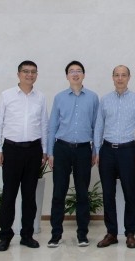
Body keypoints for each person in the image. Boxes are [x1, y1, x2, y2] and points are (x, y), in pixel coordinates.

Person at [0, 60, 49, 252]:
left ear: (36, 75)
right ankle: (5, 235)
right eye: (26, 71)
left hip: (33, 151)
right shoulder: (6, 95)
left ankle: (27, 235)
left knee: (29, 196)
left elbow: (44, 125)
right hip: (11, 150)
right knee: (9, 195)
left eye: (33, 72)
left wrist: (44, 150)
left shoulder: (40, 97)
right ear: (18, 74)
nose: (29, 75)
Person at [46, 61, 99, 248]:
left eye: (78, 71)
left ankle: (82, 234)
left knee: (82, 193)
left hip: (84, 150)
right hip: (61, 149)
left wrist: (95, 151)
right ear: (67, 76)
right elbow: (52, 126)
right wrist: (50, 152)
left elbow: (96, 127)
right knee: (58, 192)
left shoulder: (93, 98)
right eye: (71, 71)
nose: (75, 74)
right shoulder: (59, 97)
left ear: (83, 75)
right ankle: (56, 234)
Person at [93, 65, 135, 249]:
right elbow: (99, 126)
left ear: (129, 77)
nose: (120, 78)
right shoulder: (105, 100)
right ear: (112, 77)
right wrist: (97, 151)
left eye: (123, 75)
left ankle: (130, 233)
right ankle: (111, 233)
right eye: (117, 75)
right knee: (108, 193)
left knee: (129, 192)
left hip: (127, 151)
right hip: (107, 150)